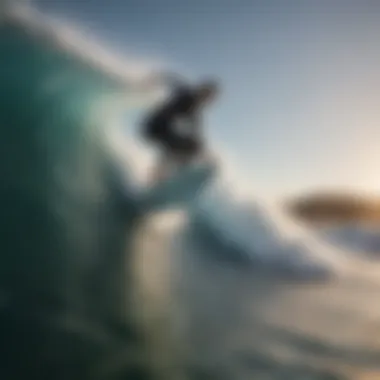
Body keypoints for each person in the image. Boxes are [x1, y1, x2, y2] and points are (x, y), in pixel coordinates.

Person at [141, 74, 219, 183]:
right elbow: (169, 79)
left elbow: (196, 132)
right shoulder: (186, 93)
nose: (207, 100)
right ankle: (157, 177)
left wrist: (207, 155)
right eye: (207, 95)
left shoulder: (195, 110)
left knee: (189, 147)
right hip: (155, 126)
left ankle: (158, 177)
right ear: (202, 90)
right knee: (190, 147)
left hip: (159, 129)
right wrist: (151, 81)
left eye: (209, 98)